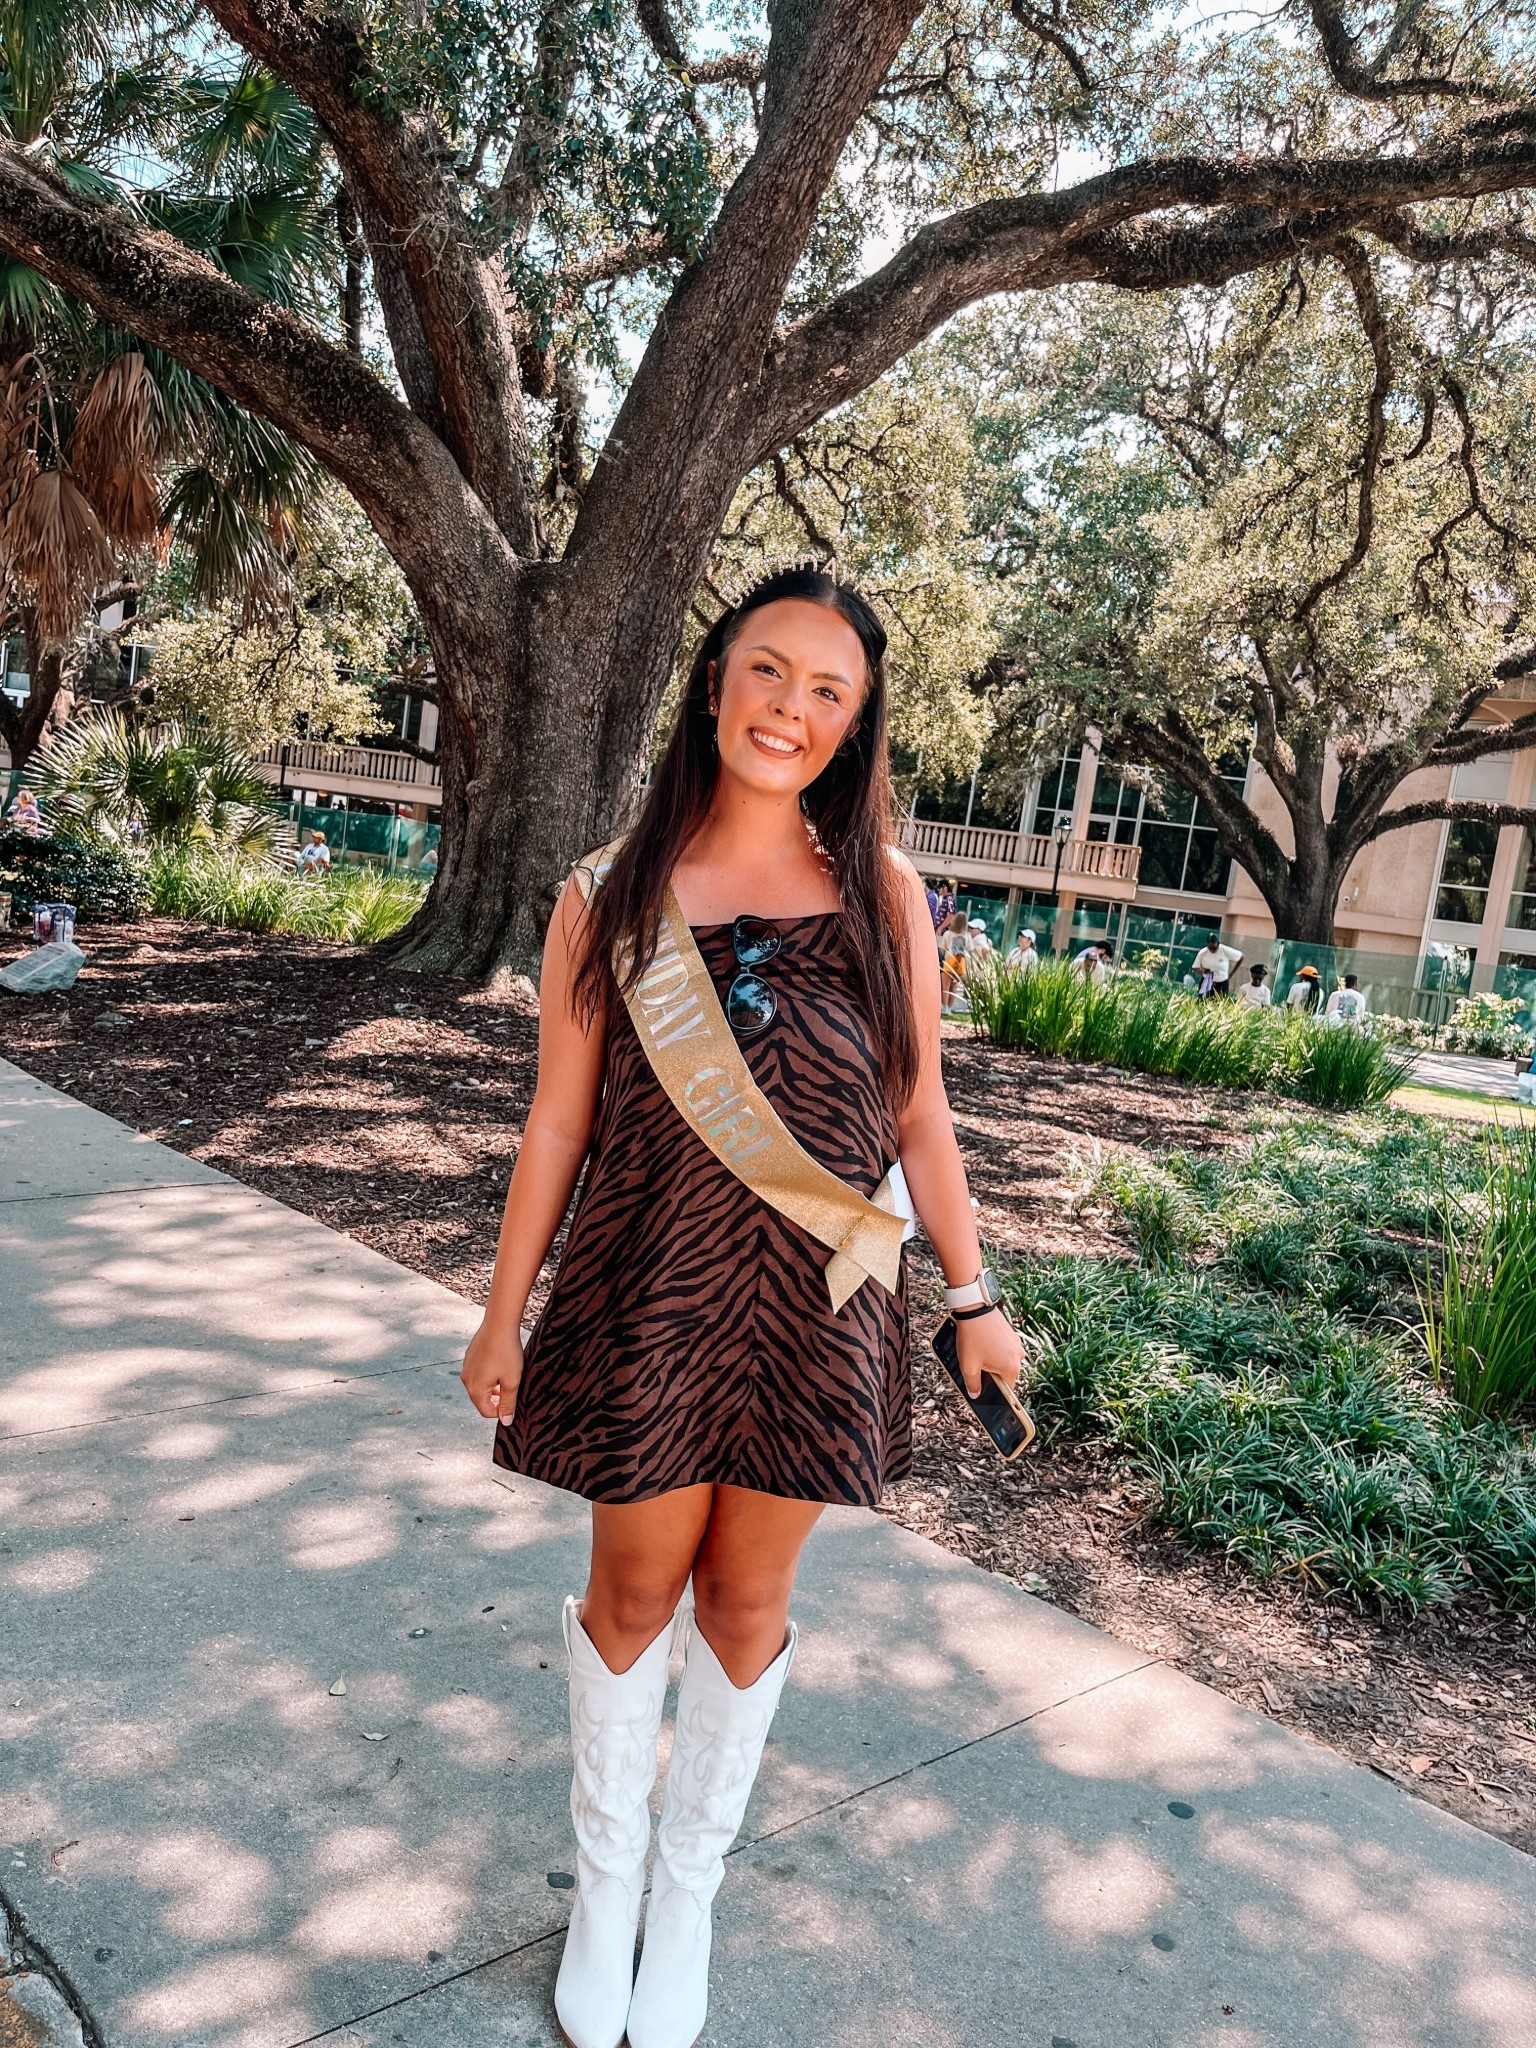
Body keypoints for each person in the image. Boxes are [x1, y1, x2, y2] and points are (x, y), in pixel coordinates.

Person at [459, 566, 1024, 2048]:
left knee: (746, 1597)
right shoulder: (606, 892)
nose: (792, 709)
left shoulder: (886, 895)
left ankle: (686, 1891)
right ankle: (607, 1884)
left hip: (819, 1303)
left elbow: (922, 1118)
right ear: (715, 681)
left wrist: (973, 1298)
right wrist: (502, 1311)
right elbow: (559, 1128)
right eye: (768, 672)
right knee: (636, 1593)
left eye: (828, 691)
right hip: (646, 1296)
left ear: (857, 724)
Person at [938, 907, 970, 1010]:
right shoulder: (967, 936)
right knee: (954, 986)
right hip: (960, 962)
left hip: (949, 961)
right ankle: (950, 1008)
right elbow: (970, 949)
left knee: (945, 986)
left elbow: (942, 948)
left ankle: (945, 1007)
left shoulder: (948, 934)